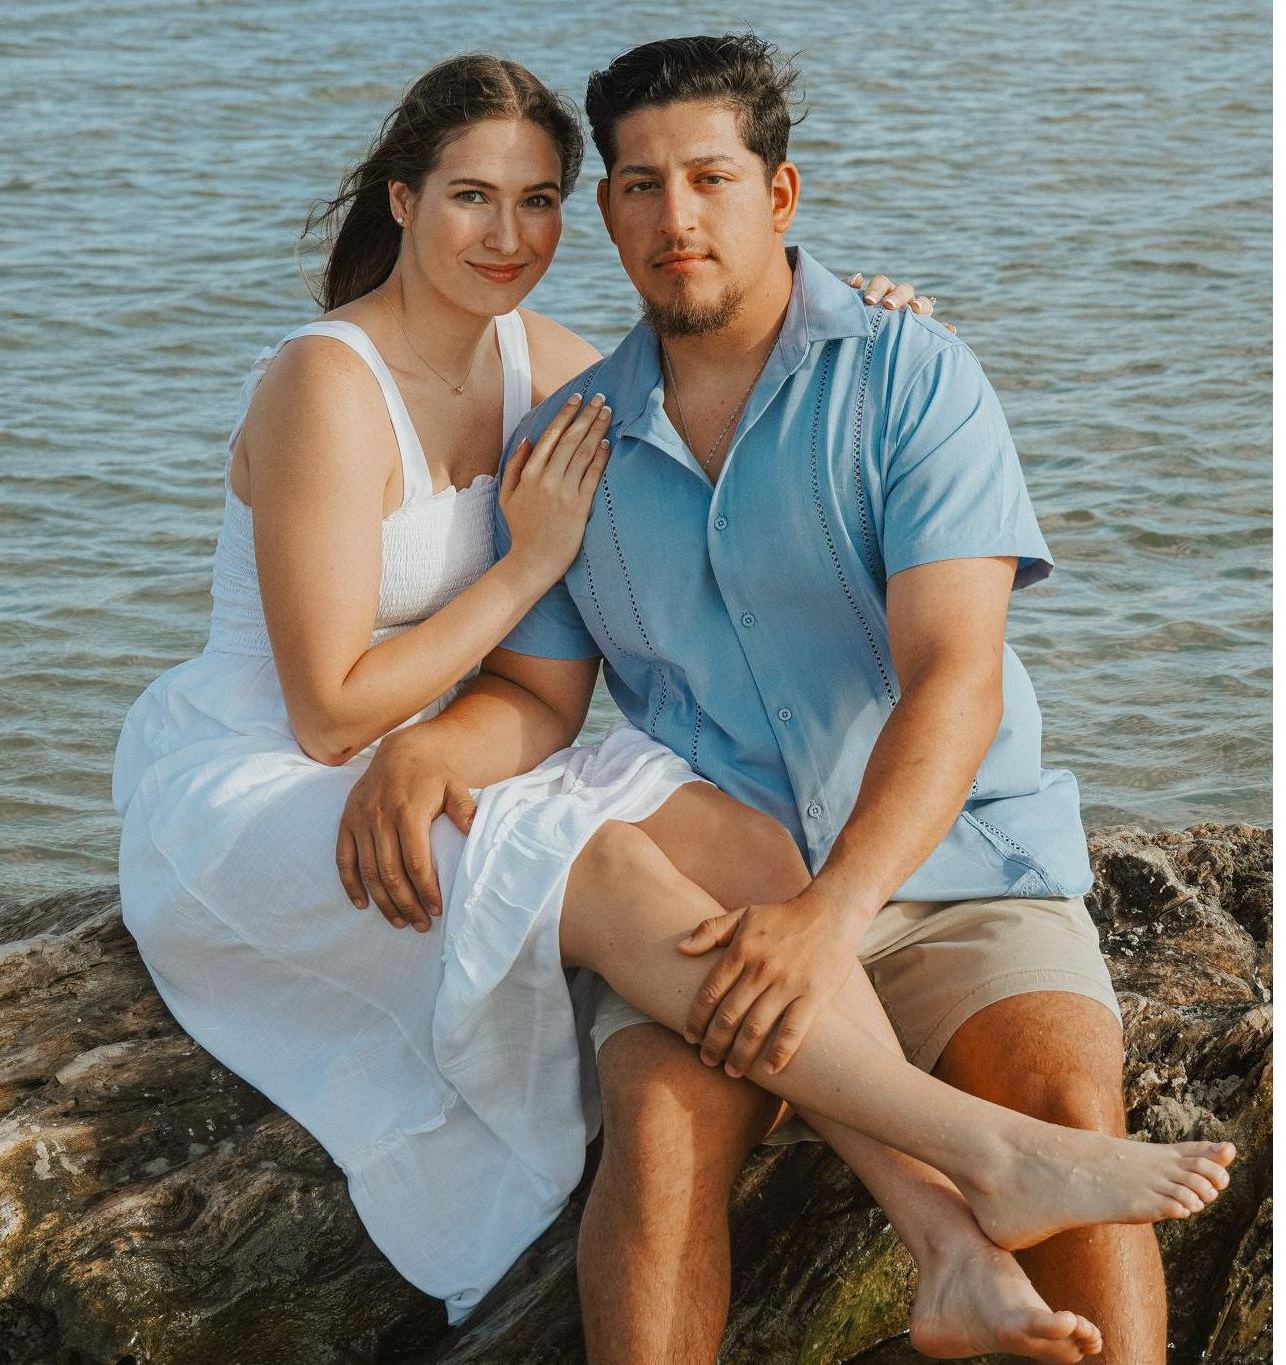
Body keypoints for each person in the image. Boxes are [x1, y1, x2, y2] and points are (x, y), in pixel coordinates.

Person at [338, 34, 1235, 1365]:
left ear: (779, 194)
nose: (675, 216)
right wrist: (425, 755)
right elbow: (535, 695)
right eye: (640, 185)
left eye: (710, 178)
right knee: (657, 1137)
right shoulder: (570, 441)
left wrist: (831, 915)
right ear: (607, 214)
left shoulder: (909, 374)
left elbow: (954, 674)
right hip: (709, 893)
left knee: (1060, 1097)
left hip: (952, 864)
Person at [110, 51, 941, 1336]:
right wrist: (528, 564)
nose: (508, 237)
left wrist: (875, 328)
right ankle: (969, 1160)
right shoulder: (324, 382)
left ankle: (943, 1238)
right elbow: (328, 709)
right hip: (264, 776)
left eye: (539, 201)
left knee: (748, 851)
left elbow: (724, 369)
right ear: (401, 200)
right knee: (602, 870)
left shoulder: (541, 364)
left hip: (439, 743)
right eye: (471, 197)